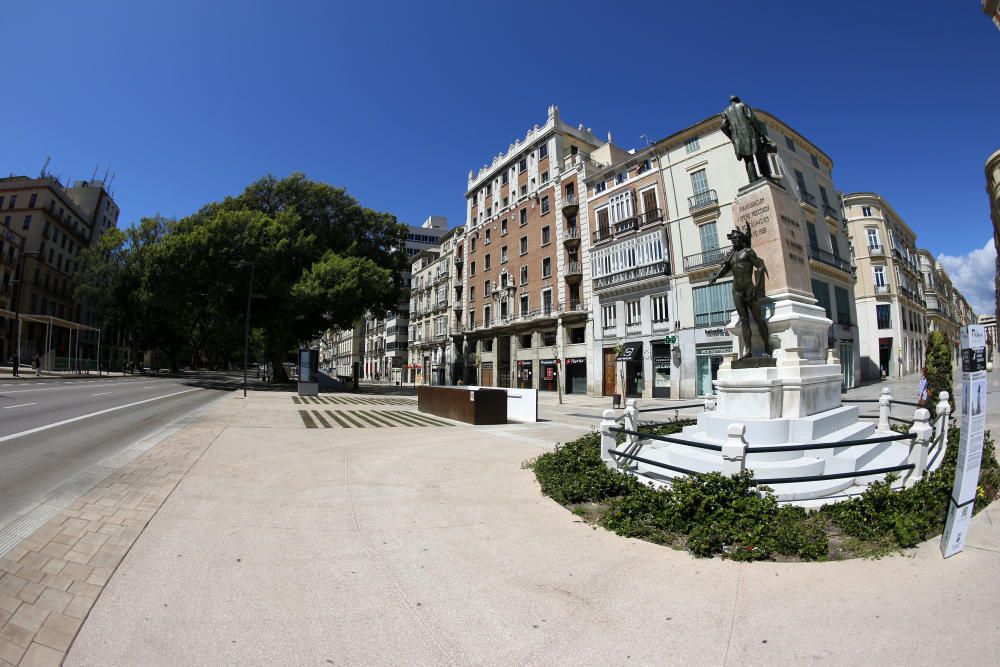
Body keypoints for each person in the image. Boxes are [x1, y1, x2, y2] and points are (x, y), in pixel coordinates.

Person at [709, 223, 772, 360]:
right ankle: (748, 351)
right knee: (744, 320)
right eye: (732, 240)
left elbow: (760, 267)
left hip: (749, 289)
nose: (733, 242)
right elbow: (725, 270)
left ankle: (767, 348)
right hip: (736, 290)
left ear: (740, 239)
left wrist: (758, 287)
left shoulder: (748, 252)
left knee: (758, 319)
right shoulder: (731, 256)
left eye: (735, 239)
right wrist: (715, 276)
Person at [720, 95, 778, 183]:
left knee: (748, 161)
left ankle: (753, 181)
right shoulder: (743, 105)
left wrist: (732, 137)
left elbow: (723, 126)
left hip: (739, 140)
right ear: (738, 100)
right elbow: (753, 119)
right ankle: (768, 178)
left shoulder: (725, 112)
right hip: (752, 135)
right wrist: (763, 135)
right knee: (761, 156)